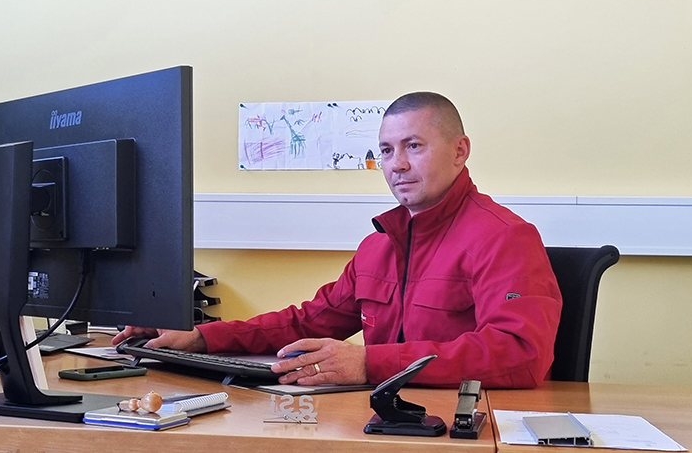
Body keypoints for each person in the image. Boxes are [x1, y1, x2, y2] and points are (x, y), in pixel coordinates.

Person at [113, 92, 562, 389]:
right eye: (386, 151)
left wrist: (369, 363)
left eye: (414, 146)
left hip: (456, 430)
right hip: (378, 424)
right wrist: (202, 337)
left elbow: (522, 354)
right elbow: (307, 322)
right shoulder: (380, 245)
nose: (397, 165)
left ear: (460, 151)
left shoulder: (504, 237)